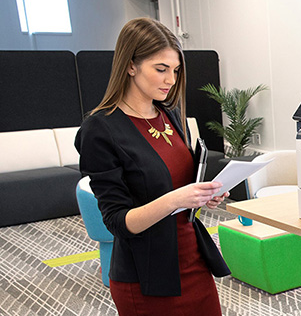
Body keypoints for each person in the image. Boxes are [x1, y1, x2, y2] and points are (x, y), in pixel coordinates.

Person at [75, 17, 230, 315]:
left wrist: (201, 196)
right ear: (131, 66)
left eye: (175, 70)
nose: (170, 80)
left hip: (192, 258)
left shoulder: (167, 115)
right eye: (160, 69)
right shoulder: (100, 129)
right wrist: (178, 198)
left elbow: (177, 185)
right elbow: (118, 222)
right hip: (146, 275)